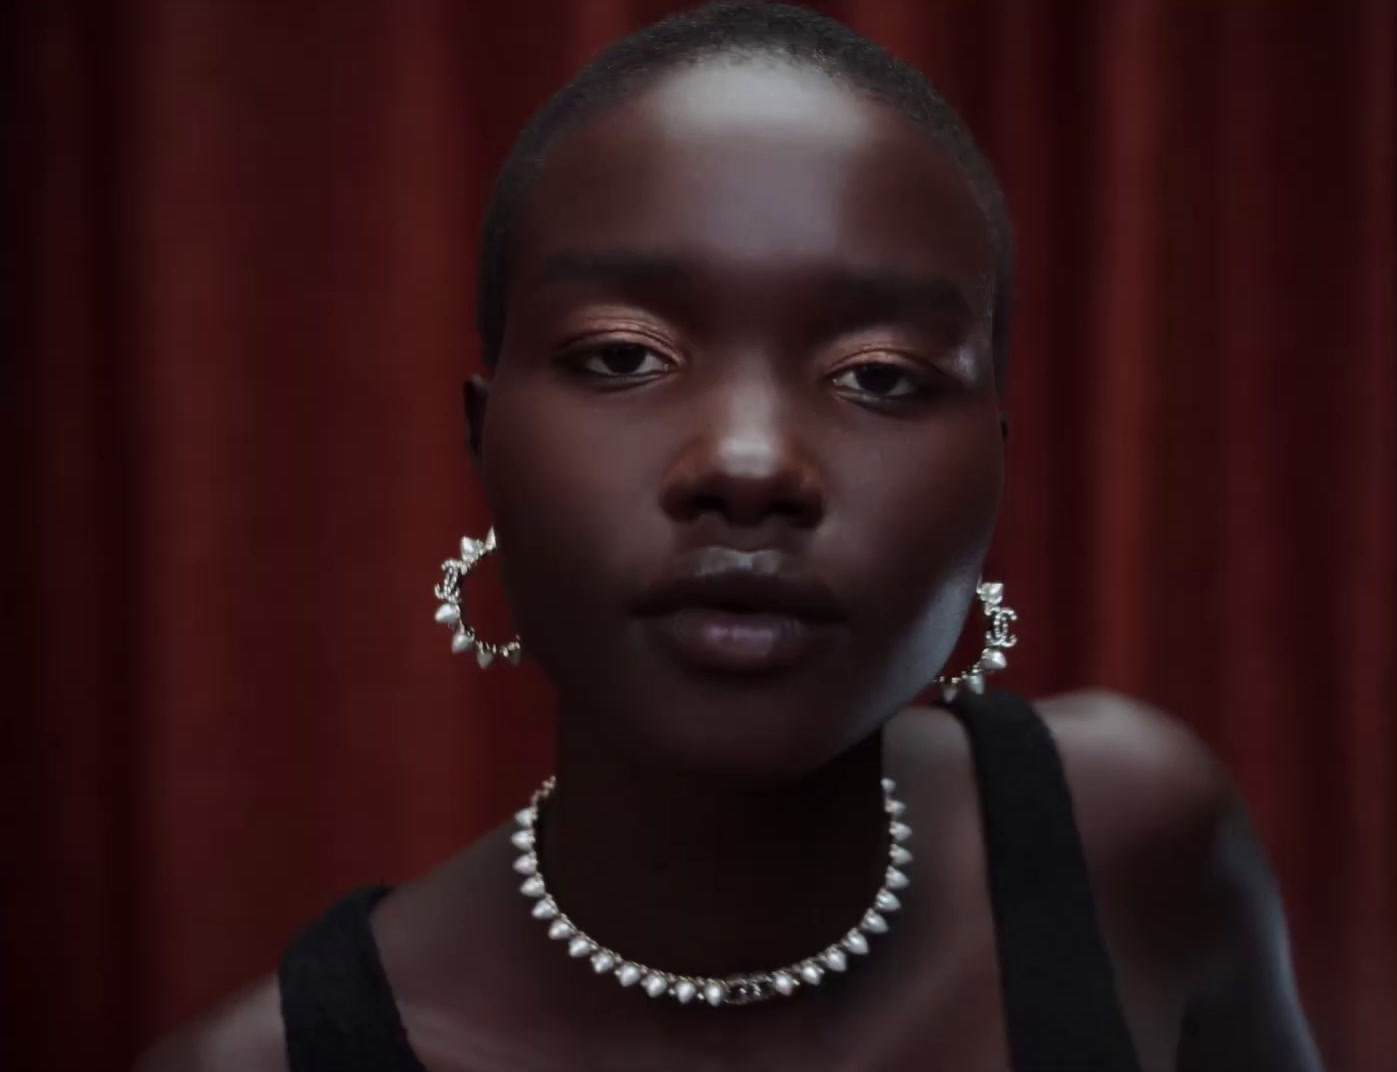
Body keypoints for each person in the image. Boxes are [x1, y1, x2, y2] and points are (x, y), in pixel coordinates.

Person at [137, 3, 1322, 1069]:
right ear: (483, 442)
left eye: (883, 375)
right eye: (622, 356)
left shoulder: (1137, 844)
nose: (750, 463)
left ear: (997, 464)